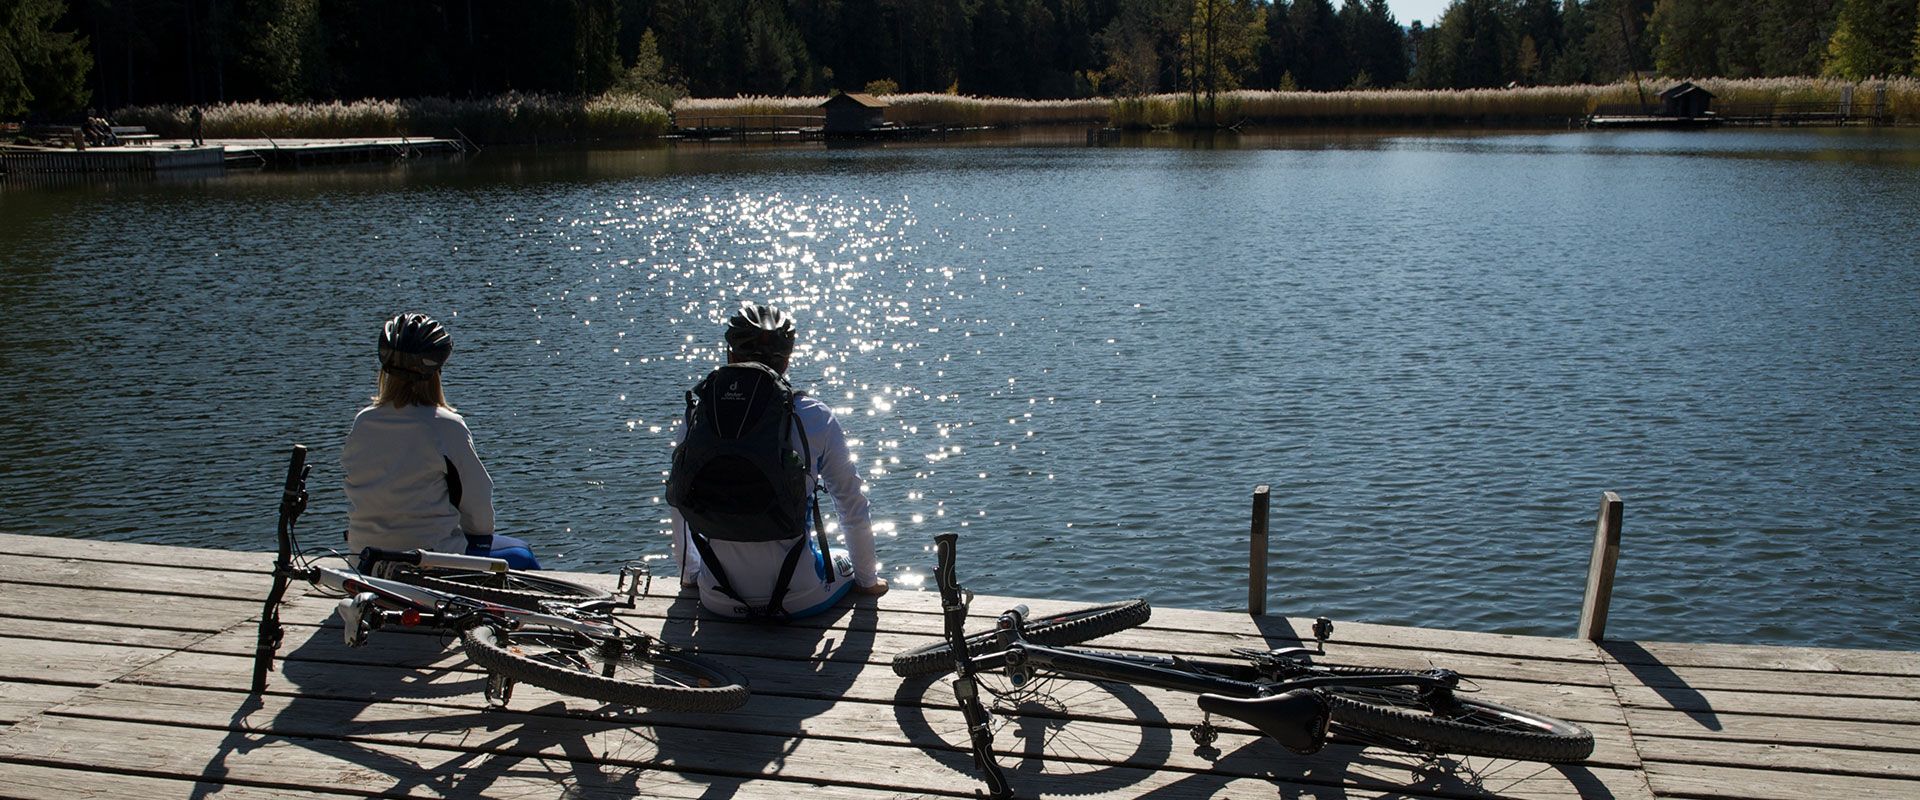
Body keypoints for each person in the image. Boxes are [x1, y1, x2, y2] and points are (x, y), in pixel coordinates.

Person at [670, 303, 888, 618]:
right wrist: (867, 582)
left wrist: (690, 577)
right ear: (786, 362)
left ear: (731, 356)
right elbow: (851, 505)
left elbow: (679, 501)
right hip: (799, 598)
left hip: (716, 596)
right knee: (844, 560)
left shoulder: (698, 413)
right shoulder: (813, 415)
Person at [342, 312, 540, 569]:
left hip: (364, 559)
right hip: (425, 559)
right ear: (437, 369)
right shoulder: (446, 426)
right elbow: (480, 517)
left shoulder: (363, 422)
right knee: (522, 556)